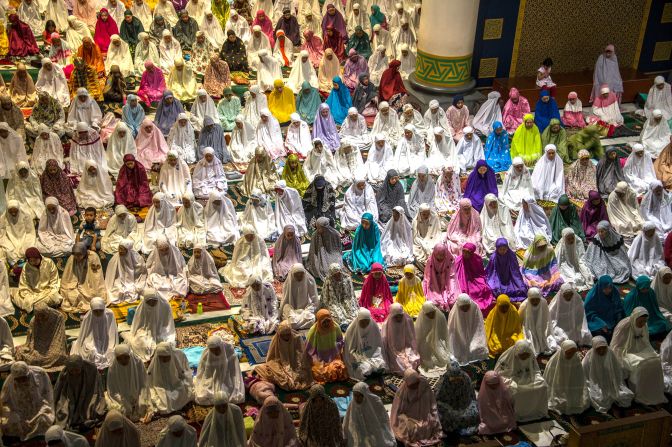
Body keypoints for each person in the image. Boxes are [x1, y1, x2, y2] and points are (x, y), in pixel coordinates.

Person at [611, 308, 667, 405]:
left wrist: (652, 353)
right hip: (625, 352)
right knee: (642, 365)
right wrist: (619, 361)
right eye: (640, 321)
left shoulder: (644, 324)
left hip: (641, 350)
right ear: (634, 318)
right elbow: (617, 346)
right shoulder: (624, 325)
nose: (643, 324)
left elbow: (645, 342)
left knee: (656, 361)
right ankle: (640, 393)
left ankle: (654, 392)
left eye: (645, 321)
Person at [494, 340, 549, 421]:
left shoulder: (530, 354)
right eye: (522, 356)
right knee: (517, 391)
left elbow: (536, 371)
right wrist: (510, 382)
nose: (524, 358)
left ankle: (537, 410)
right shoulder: (506, 358)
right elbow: (498, 376)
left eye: (526, 356)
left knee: (543, 386)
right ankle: (518, 414)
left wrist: (538, 378)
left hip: (529, 379)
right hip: (513, 382)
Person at [0, 362, 55, 441]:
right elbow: (4, 402)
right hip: (19, 413)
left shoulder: (40, 374)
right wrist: (17, 417)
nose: (22, 381)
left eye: (24, 378)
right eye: (18, 380)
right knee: (8, 424)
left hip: (38, 410)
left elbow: (48, 397)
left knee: (43, 420)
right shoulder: (10, 381)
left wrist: (36, 417)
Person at [390, 369, 444, 445]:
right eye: (412, 385)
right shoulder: (402, 392)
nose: (414, 386)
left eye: (416, 383)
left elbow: (431, 402)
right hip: (409, 416)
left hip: (425, 413)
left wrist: (431, 414)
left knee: (430, 423)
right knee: (408, 428)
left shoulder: (424, 385)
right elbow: (397, 411)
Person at [582, 336, 634, 413]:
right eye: (598, 349)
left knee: (625, 397)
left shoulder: (611, 353)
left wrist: (615, 383)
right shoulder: (589, 357)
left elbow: (617, 371)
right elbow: (585, 375)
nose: (602, 350)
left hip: (612, 384)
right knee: (600, 400)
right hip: (598, 385)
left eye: (604, 348)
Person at [53, 355, 106, 429]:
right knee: (63, 411)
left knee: (93, 408)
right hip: (70, 396)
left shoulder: (91, 369)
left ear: (81, 366)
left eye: (77, 370)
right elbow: (57, 390)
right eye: (72, 371)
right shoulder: (64, 373)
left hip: (88, 395)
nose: (74, 373)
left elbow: (97, 387)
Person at [142, 342, 194, 417]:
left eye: (166, 357)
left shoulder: (175, 359)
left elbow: (182, 374)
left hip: (175, 384)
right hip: (160, 386)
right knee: (160, 400)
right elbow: (150, 378)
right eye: (161, 357)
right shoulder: (156, 362)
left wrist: (184, 383)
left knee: (182, 393)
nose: (164, 359)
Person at [543, 340, 591, 415]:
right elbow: (550, 379)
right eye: (568, 353)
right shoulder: (554, 361)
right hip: (558, 387)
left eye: (573, 353)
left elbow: (580, 377)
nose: (571, 355)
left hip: (572, 386)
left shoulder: (575, 359)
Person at [194, 335, 244, 405]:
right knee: (203, 394)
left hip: (228, 375)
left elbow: (234, 370)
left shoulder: (229, 349)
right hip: (213, 376)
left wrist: (228, 380)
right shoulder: (206, 353)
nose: (215, 352)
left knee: (231, 395)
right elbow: (204, 372)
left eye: (217, 349)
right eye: (212, 350)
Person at [436, 360, 480, 436]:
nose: (455, 380)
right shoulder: (446, 379)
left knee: (474, 412)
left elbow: (471, 395)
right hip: (455, 408)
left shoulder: (463, 377)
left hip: (462, 407)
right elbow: (439, 398)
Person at [343, 308, 386, 380]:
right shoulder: (352, 330)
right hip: (357, 355)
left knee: (381, 363)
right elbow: (349, 350)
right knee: (363, 369)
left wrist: (371, 353)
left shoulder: (373, 326)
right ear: (358, 320)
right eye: (362, 322)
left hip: (372, 353)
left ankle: (373, 370)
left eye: (367, 322)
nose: (365, 324)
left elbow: (378, 344)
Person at [446, 293, 489, 365]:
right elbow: (452, 331)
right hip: (459, 339)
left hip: (473, 335)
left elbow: (479, 327)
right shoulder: (454, 313)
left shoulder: (475, 308)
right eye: (463, 307)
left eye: (467, 306)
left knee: (477, 349)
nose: (465, 309)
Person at [104, 237, 147, 303]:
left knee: (136, 290)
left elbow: (141, 272)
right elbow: (111, 275)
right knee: (116, 292)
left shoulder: (137, 258)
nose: (120, 251)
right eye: (119, 248)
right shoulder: (115, 258)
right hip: (119, 281)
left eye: (122, 249)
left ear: (128, 250)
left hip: (134, 281)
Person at [381, 303, 420, 375]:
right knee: (401, 365)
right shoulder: (387, 324)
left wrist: (407, 350)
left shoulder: (408, 320)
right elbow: (385, 342)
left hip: (407, 346)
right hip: (393, 350)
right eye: (396, 316)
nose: (399, 318)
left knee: (413, 360)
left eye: (400, 316)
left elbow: (412, 338)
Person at [146, 236, 189, 300]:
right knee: (154, 282)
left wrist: (178, 274)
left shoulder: (175, 251)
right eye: (161, 250)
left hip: (175, 275)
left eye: (166, 249)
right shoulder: (154, 253)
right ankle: (163, 296)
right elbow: (148, 266)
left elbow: (182, 265)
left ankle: (176, 295)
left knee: (182, 281)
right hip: (159, 276)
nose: (164, 252)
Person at [414, 301, 451, 372]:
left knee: (442, 357)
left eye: (432, 312)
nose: (431, 315)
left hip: (438, 341)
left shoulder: (440, 317)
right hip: (425, 344)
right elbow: (419, 337)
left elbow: (444, 334)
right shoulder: (421, 321)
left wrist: (434, 337)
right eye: (428, 314)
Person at [555, 227, 593, 291]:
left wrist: (581, 267)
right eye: (568, 239)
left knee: (585, 274)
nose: (571, 240)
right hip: (566, 265)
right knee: (570, 277)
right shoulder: (561, 246)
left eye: (572, 238)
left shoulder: (578, 241)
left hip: (577, 263)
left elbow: (582, 257)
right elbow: (559, 261)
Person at [422, 243, 457, 311]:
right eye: (438, 255)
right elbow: (428, 277)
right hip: (434, 283)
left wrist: (450, 289)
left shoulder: (449, 260)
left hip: (447, 282)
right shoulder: (430, 261)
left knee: (452, 299)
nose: (440, 258)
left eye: (442, 255)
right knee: (434, 300)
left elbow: (452, 276)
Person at [0, 201, 36, 265]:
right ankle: (16, 264)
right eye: (11, 211)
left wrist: (25, 244)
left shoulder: (26, 216)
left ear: (18, 209)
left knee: (29, 248)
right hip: (10, 240)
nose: (13, 213)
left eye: (15, 211)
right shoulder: (3, 218)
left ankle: (23, 263)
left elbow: (30, 233)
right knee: (8, 251)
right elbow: (2, 235)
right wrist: (9, 245)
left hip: (25, 238)